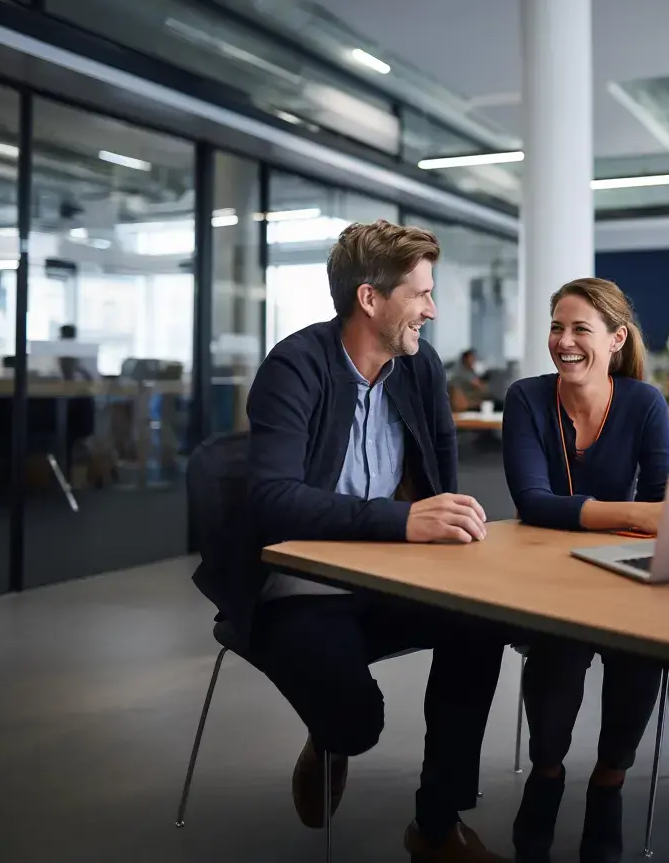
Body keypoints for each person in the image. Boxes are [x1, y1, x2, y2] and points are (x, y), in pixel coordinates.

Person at [230, 220, 508, 863]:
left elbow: (441, 481)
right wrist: (400, 521)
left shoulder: (420, 366)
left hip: (393, 574)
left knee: (481, 624)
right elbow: (272, 501)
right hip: (302, 585)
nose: (432, 310)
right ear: (370, 300)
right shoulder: (295, 366)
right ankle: (330, 738)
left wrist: (448, 531)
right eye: (421, 294)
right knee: (357, 721)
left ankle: (437, 826)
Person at [501, 277, 669, 863]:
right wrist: (631, 512)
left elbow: (666, 502)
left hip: (620, 568)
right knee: (559, 647)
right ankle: (546, 775)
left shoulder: (644, 402)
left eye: (580, 329)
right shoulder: (527, 398)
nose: (564, 341)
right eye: (556, 327)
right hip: (548, 576)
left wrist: (638, 516)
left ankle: (609, 782)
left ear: (617, 338)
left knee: (639, 645)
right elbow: (532, 501)